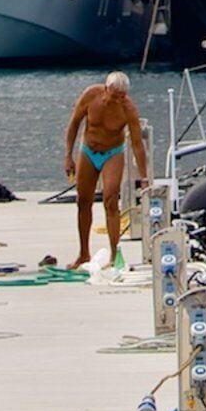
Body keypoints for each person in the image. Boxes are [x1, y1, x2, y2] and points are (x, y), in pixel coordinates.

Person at [60, 73, 147, 270]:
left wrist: (145, 177)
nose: (117, 101)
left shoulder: (128, 109)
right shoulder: (91, 95)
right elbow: (74, 123)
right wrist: (68, 156)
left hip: (112, 153)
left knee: (110, 200)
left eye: (122, 97)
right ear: (106, 89)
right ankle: (83, 253)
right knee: (83, 201)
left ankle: (115, 254)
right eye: (114, 96)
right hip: (88, 150)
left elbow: (137, 144)